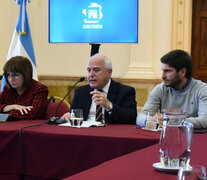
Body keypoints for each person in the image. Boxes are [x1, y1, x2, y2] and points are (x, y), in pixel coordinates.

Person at [137, 49, 207, 129]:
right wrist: (149, 119)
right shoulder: (160, 89)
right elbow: (140, 117)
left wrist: (171, 121)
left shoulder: (202, 89)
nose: (163, 76)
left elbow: (205, 120)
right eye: (163, 71)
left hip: (194, 138)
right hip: (166, 137)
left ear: (183, 72)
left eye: (167, 71)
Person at [61, 53, 137, 124]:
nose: (91, 74)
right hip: (84, 134)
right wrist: (68, 116)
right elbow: (73, 115)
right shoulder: (81, 92)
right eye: (89, 70)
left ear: (109, 72)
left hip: (109, 135)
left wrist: (109, 106)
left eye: (96, 70)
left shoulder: (125, 91)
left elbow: (131, 119)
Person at [0, 56, 48, 120]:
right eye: (8, 75)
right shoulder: (7, 88)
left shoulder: (39, 89)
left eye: (16, 75)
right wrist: (13, 107)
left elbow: (33, 114)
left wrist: (4, 110)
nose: (11, 79)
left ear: (26, 75)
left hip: (31, 127)